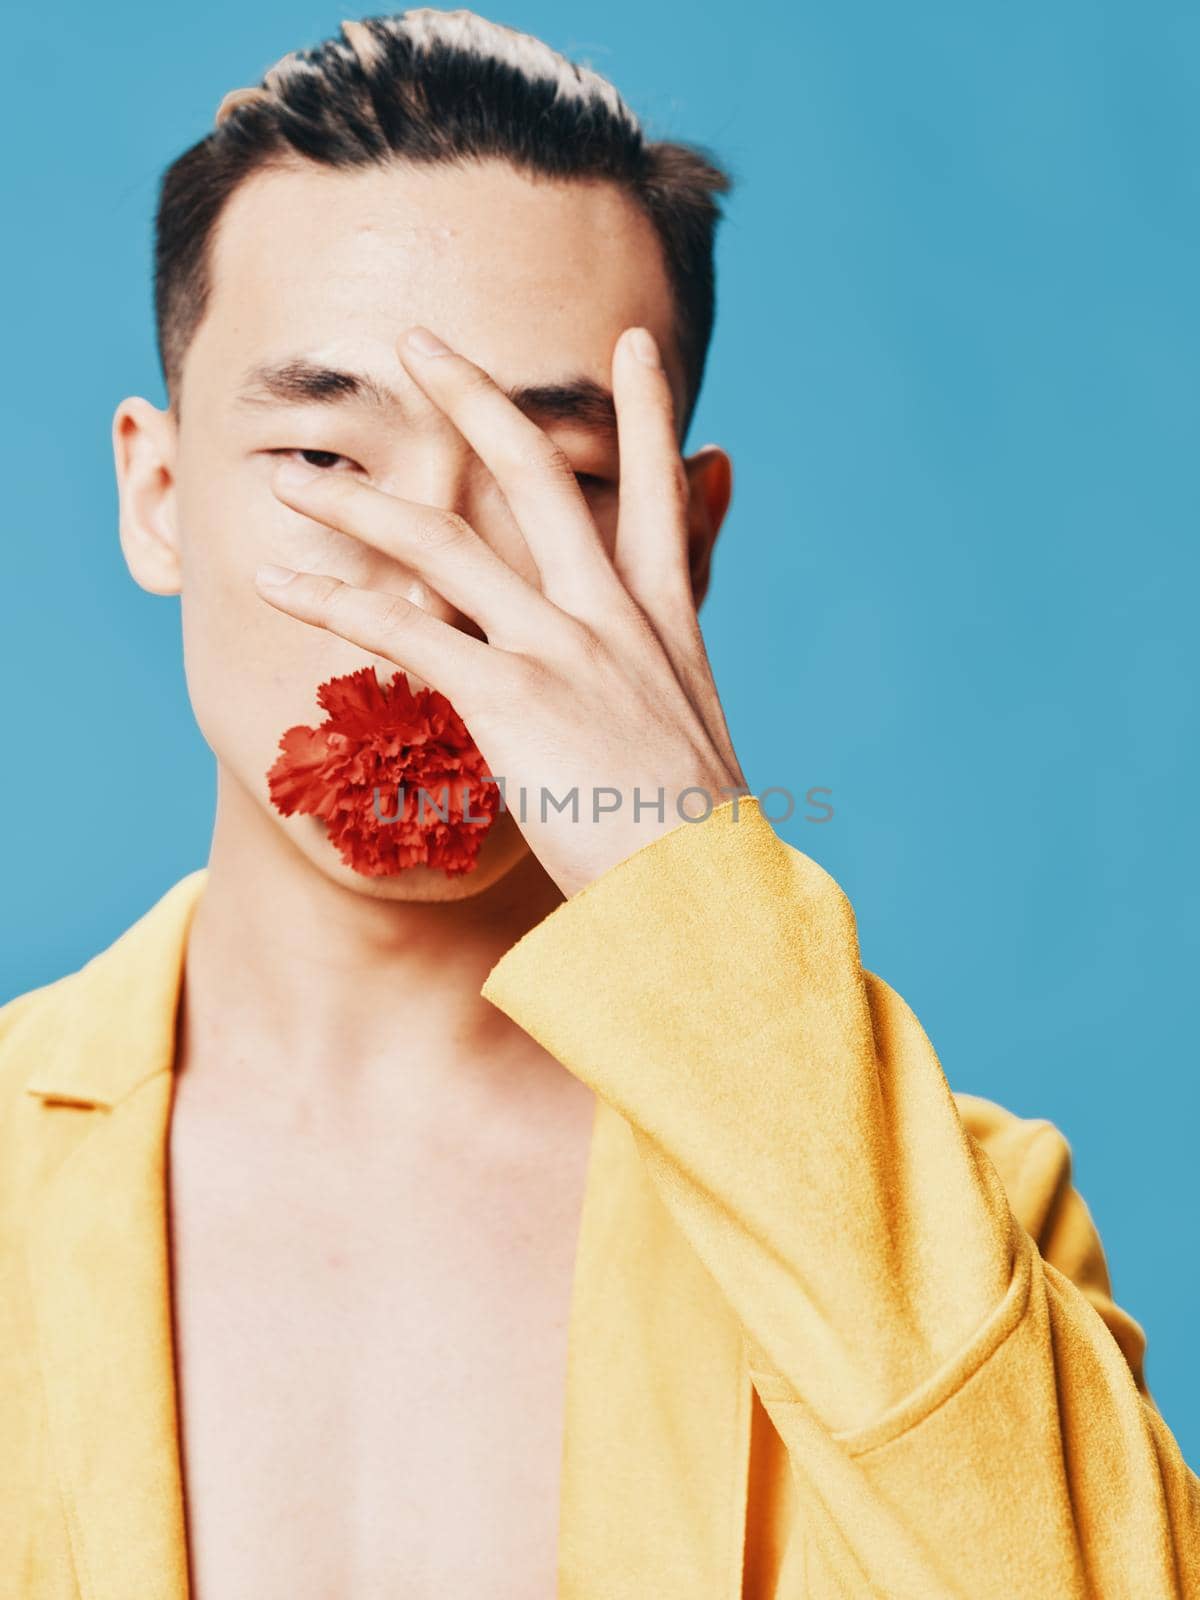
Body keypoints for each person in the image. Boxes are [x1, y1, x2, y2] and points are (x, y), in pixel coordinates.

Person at [1, 8, 1196, 1597]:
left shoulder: (955, 1217)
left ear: (684, 548)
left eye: (554, 481)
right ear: (160, 498)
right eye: (324, 460)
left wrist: (687, 872)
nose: (427, 587)